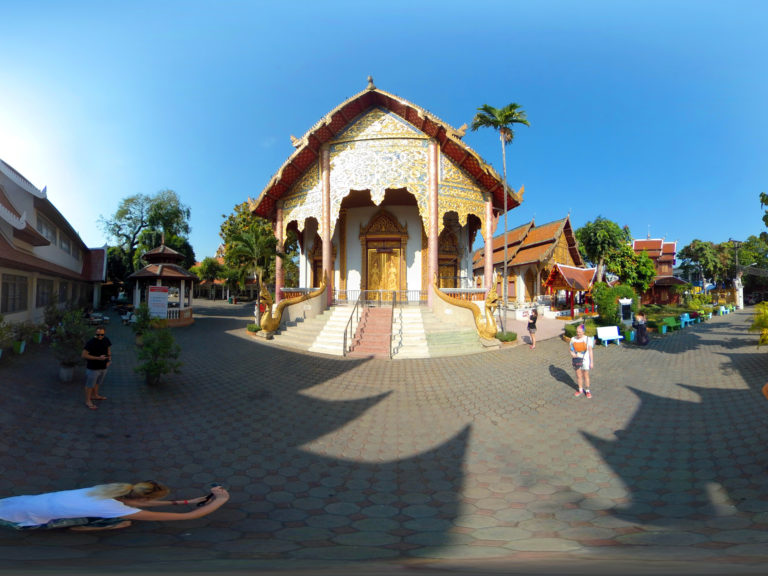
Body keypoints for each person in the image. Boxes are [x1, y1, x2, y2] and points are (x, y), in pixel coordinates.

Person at [0, 482, 229, 531]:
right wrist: (219, 500)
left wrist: (184, 502)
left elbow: (138, 502)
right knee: (124, 522)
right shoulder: (116, 509)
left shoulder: (114, 489)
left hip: (26, 502)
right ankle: (86, 528)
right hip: (30, 516)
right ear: (139, 499)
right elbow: (189, 518)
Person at [82, 326, 112, 410]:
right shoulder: (91, 342)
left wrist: (109, 359)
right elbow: (84, 355)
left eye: (102, 334)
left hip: (103, 367)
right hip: (93, 368)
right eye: (98, 334)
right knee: (89, 385)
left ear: (104, 333)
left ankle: (95, 395)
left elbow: (109, 349)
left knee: (97, 382)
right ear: (95, 333)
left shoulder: (106, 340)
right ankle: (88, 400)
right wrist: (98, 358)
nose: (100, 336)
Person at [570, 324, 595, 398]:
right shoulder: (573, 339)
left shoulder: (588, 339)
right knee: (578, 375)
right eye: (577, 332)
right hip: (576, 359)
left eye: (580, 332)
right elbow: (571, 349)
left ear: (583, 332)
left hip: (585, 360)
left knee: (586, 375)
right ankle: (580, 389)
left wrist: (591, 362)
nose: (578, 333)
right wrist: (572, 353)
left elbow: (590, 351)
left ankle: (587, 390)